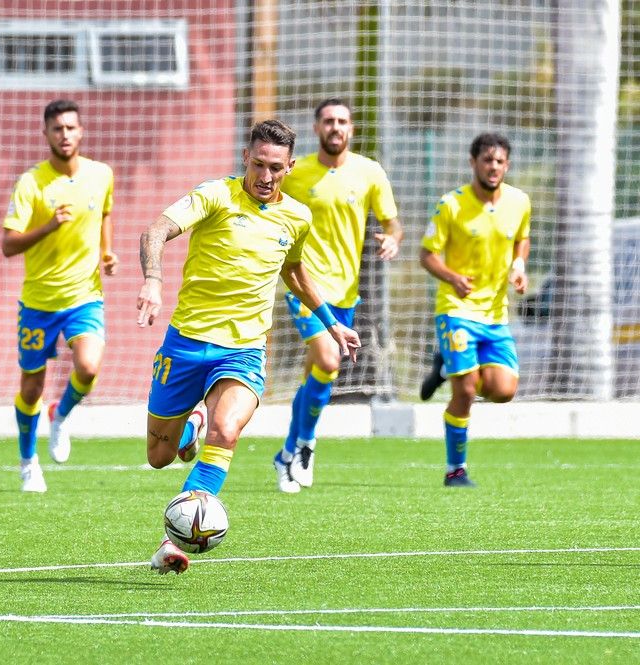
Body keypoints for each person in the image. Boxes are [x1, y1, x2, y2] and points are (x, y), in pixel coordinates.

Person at [137, 119, 361, 574]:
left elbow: (294, 272)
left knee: (228, 432)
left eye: (275, 168)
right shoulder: (215, 195)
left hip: (243, 349)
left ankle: (175, 539)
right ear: (246, 158)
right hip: (186, 343)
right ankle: (188, 427)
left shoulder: (297, 217)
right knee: (158, 458)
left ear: (289, 167)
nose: (265, 176)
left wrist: (332, 323)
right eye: (258, 164)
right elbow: (155, 230)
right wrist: (154, 281)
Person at [272, 98, 403, 493]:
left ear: (352, 129)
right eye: (328, 121)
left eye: (342, 121)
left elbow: (393, 224)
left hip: (346, 291)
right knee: (328, 360)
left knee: (320, 372)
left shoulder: (370, 172)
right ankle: (307, 445)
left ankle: (286, 453)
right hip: (305, 285)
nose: (335, 127)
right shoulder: (296, 174)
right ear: (316, 128)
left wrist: (392, 240)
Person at [1, 99, 117, 493]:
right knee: (31, 386)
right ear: (46, 134)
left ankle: (61, 414)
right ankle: (28, 461)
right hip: (38, 302)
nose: (65, 135)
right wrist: (49, 226)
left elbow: (104, 214)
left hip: (85, 296)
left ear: (80, 131)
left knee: (88, 367)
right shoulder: (31, 183)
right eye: (57, 129)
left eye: (71, 128)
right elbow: (8, 245)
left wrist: (106, 252)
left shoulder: (101, 174)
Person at [419, 133, 530, 487]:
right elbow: (427, 254)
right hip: (456, 309)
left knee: (504, 390)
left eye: (499, 161)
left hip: (496, 315)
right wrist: (452, 277)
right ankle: (456, 470)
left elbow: (521, 239)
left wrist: (519, 265)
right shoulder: (450, 204)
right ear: (473, 163)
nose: (493, 167)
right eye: (487, 160)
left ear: (507, 165)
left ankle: (446, 364)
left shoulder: (519, 201)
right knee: (465, 391)